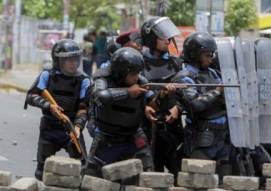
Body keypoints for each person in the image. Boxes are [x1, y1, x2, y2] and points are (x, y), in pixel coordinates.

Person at [175, 32, 232, 191]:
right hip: (202, 138)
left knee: (222, 186)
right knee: (198, 183)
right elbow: (195, 105)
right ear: (194, 53)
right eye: (207, 54)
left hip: (222, 138)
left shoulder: (214, 74)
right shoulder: (185, 77)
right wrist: (218, 92)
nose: (211, 58)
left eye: (212, 55)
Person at [24, 39, 90, 180]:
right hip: (49, 128)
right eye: (69, 60)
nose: (74, 63)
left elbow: (84, 107)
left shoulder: (84, 80)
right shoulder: (47, 75)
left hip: (71, 128)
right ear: (58, 60)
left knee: (83, 167)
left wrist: (78, 126)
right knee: (41, 172)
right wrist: (49, 106)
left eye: (76, 59)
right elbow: (31, 96)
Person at [84, 47, 154, 177]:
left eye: (138, 73)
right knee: (91, 176)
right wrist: (128, 92)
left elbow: (153, 101)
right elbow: (100, 96)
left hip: (133, 135)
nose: (136, 77)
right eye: (132, 74)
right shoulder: (103, 79)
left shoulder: (141, 82)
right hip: (107, 136)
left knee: (147, 173)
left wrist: (162, 96)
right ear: (121, 72)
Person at [141, 16, 183, 181]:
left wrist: (178, 107)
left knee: (180, 178)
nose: (168, 40)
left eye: (168, 36)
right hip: (148, 129)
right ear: (151, 39)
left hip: (173, 128)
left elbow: (187, 94)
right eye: (162, 36)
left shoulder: (177, 64)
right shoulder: (139, 63)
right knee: (151, 180)